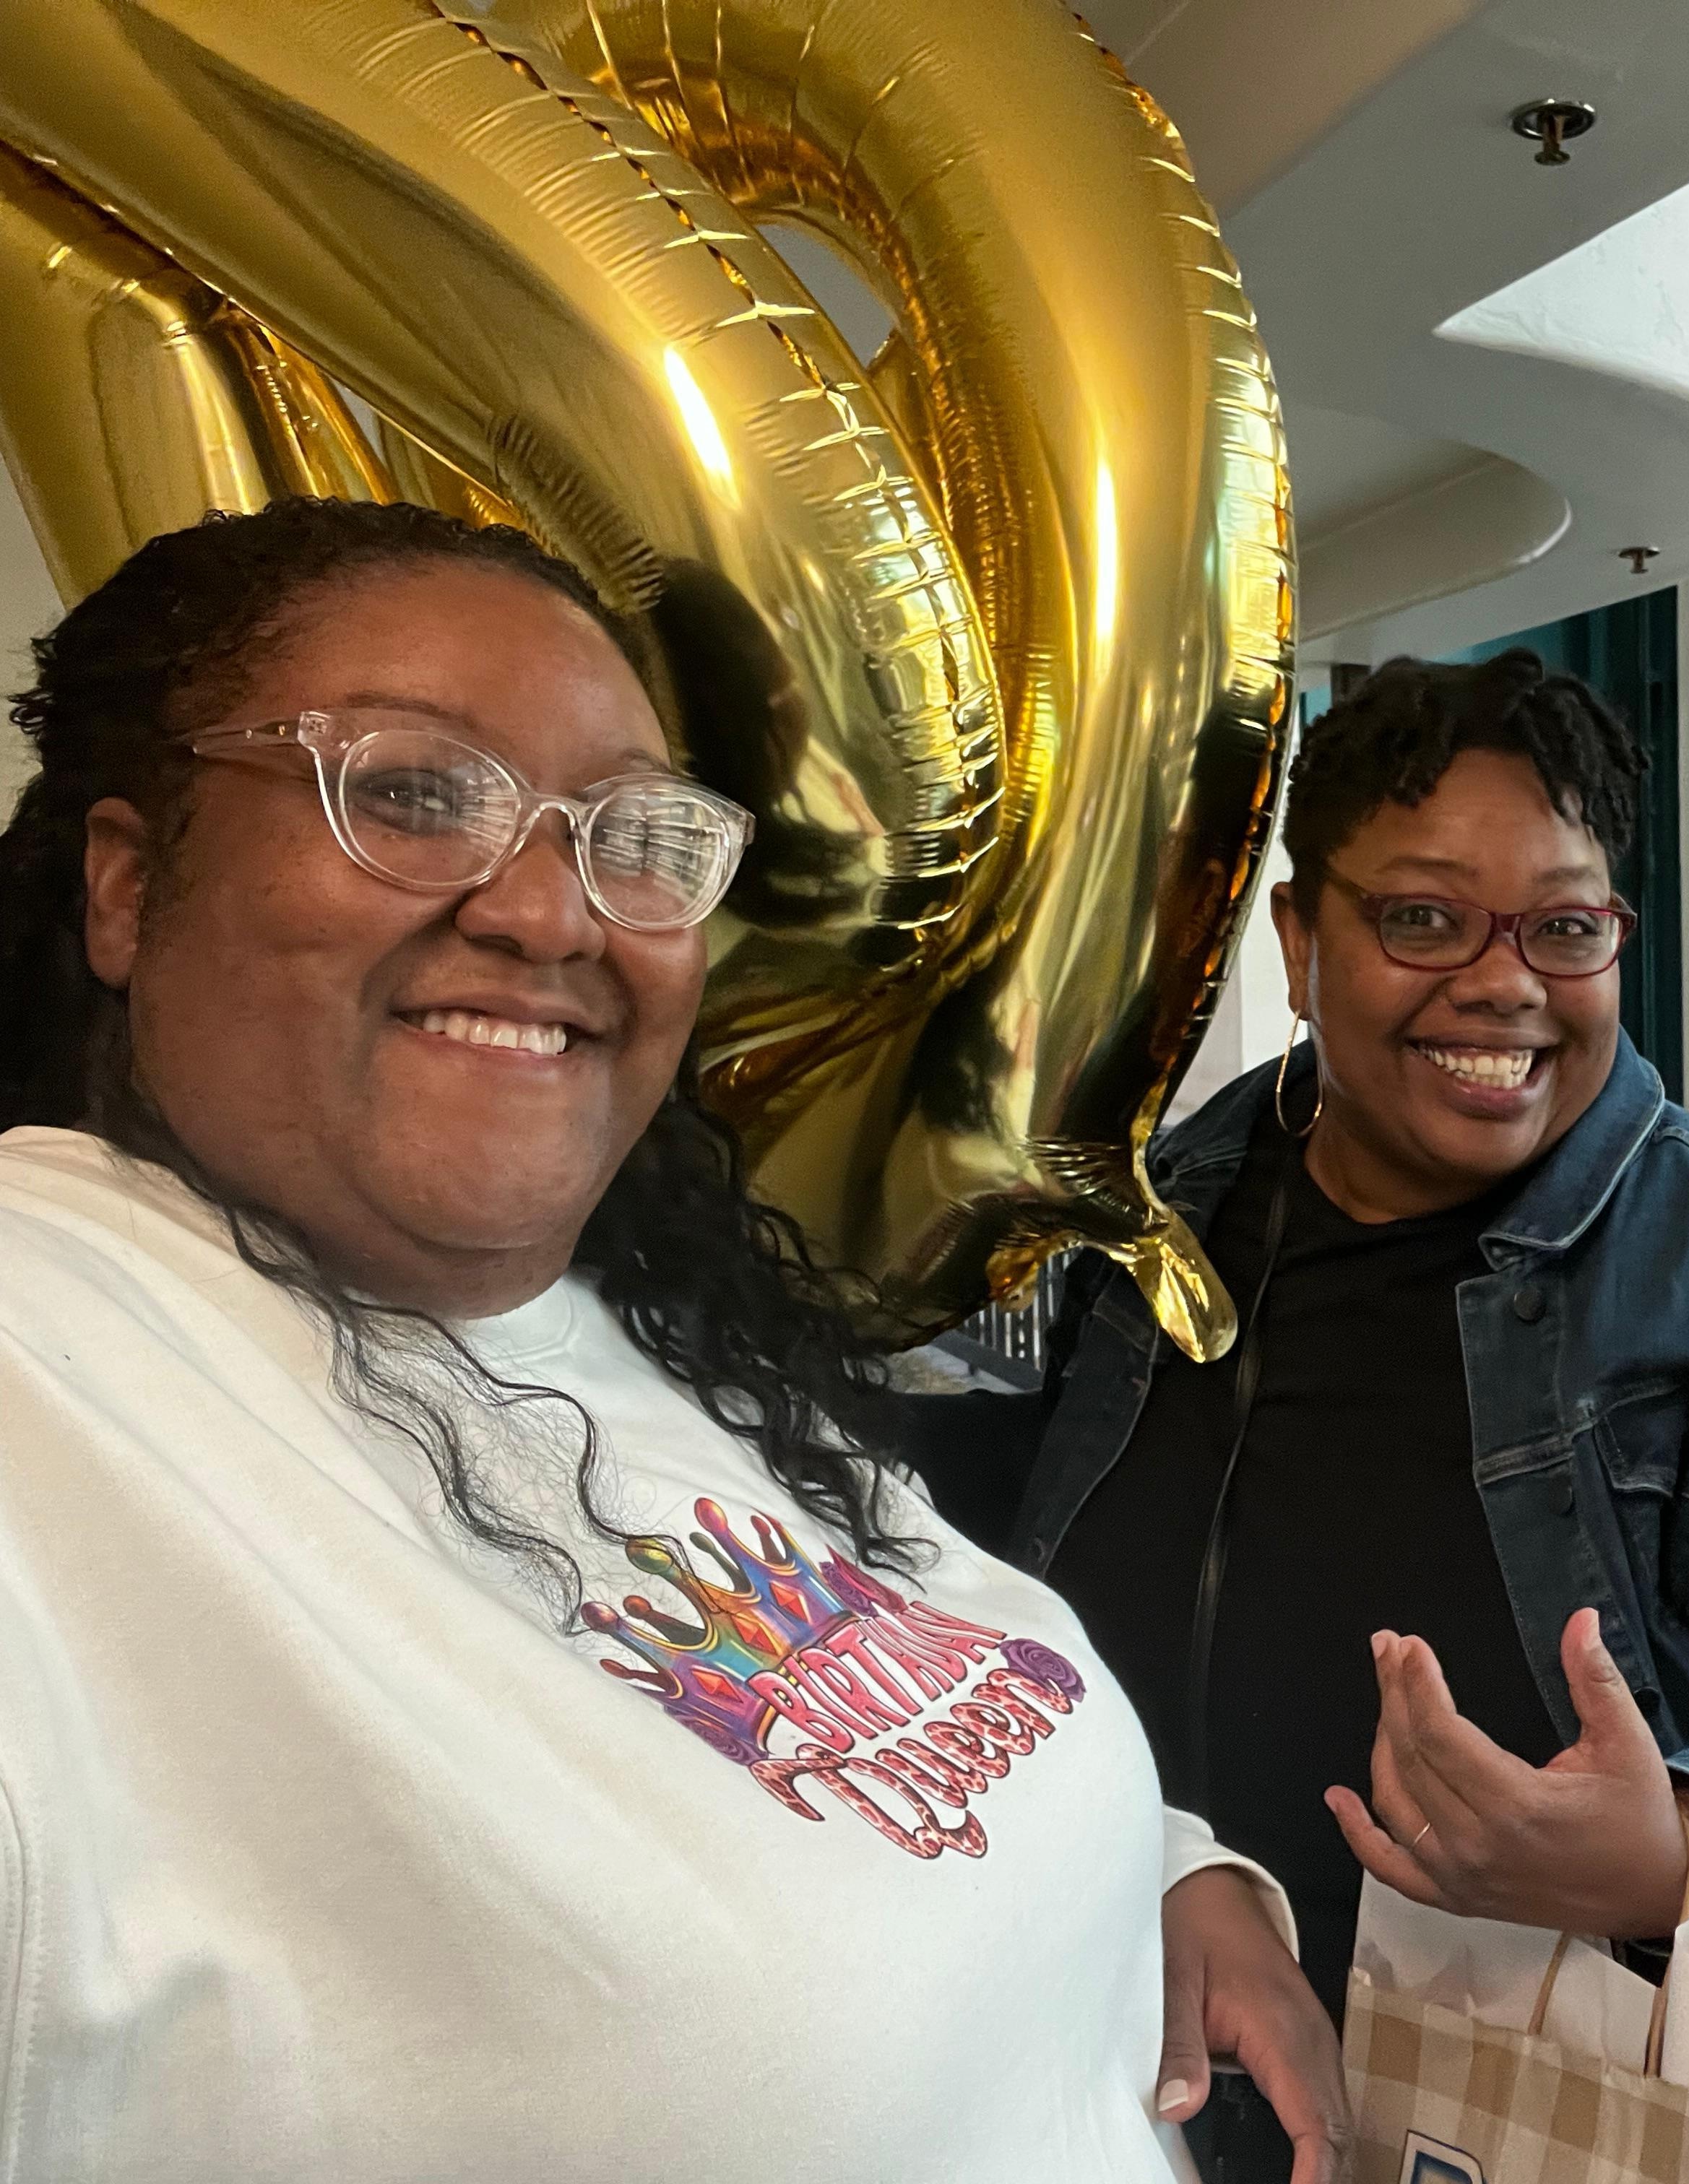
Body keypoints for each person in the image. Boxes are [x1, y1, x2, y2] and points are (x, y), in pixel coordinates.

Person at [0, 500, 1339, 2182]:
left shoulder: (643, 1332)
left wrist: (1148, 1868)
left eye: (631, 837)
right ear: (128, 889)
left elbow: (859, 1708)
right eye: (415, 794)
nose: (556, 916)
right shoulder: (45, 1380)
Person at [910, 651, 1689, 2183]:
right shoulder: (1147, 1217)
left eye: (1564, 928)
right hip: (1118, 2078)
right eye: (1422, 916)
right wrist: (1159, 1862)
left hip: (1526, 2132)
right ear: (1299, 942)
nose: (1504, 979)